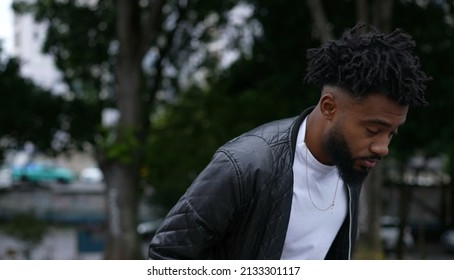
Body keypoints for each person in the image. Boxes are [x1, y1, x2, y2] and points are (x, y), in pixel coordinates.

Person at [148, 23, 430, 260]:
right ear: (329, 107)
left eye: (391, 133)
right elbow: (165, 256)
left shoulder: (351, 163)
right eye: (372, 130)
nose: (383, 147)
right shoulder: (246, 165)